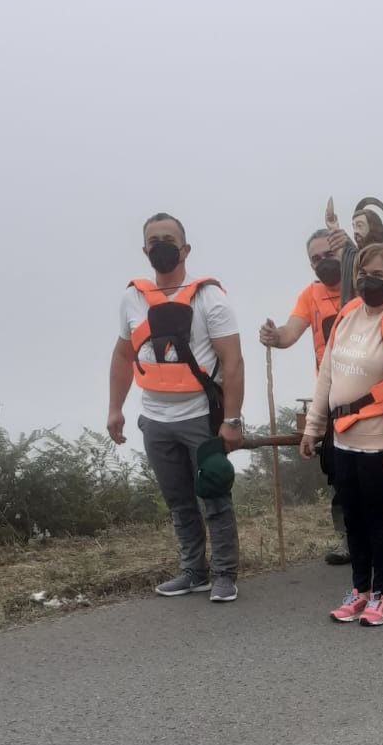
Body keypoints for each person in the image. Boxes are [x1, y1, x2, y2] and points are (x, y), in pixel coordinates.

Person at [107, 213, 245, 603]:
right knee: (179, 501)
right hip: (155, 420)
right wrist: (115, 408)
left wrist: (232, 421)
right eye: (154, 240)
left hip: (201, 418)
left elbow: (232, 362)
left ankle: (224, 574)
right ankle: (193, 572)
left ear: (185, 249)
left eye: (169, 238)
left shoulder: (209, 297)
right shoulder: (132, 298)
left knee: (214, 495)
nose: (161, 245)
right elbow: (122, 356)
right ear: (145, 249)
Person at [300, 244, 383, 626]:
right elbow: (327, 374)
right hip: (342, 439)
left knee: (377, 521)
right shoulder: (348, 314)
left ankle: (381, 595)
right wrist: (313, 425)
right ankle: (358, 590)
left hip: (380, 443)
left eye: (377, 275)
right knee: (352, 519)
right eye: (362, 273)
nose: (367, 280)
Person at [259, 228, 354, 565]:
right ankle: (349, 540)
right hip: (330, 398)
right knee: (338, 472)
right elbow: (290, 333)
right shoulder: (310, 295)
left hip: (371, 397)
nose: (322, 263)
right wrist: (274, 335)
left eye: (328, 255)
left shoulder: (362, 281)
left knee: (372, 471)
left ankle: (376, 536)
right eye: (315, 259)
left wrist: (357, 249)